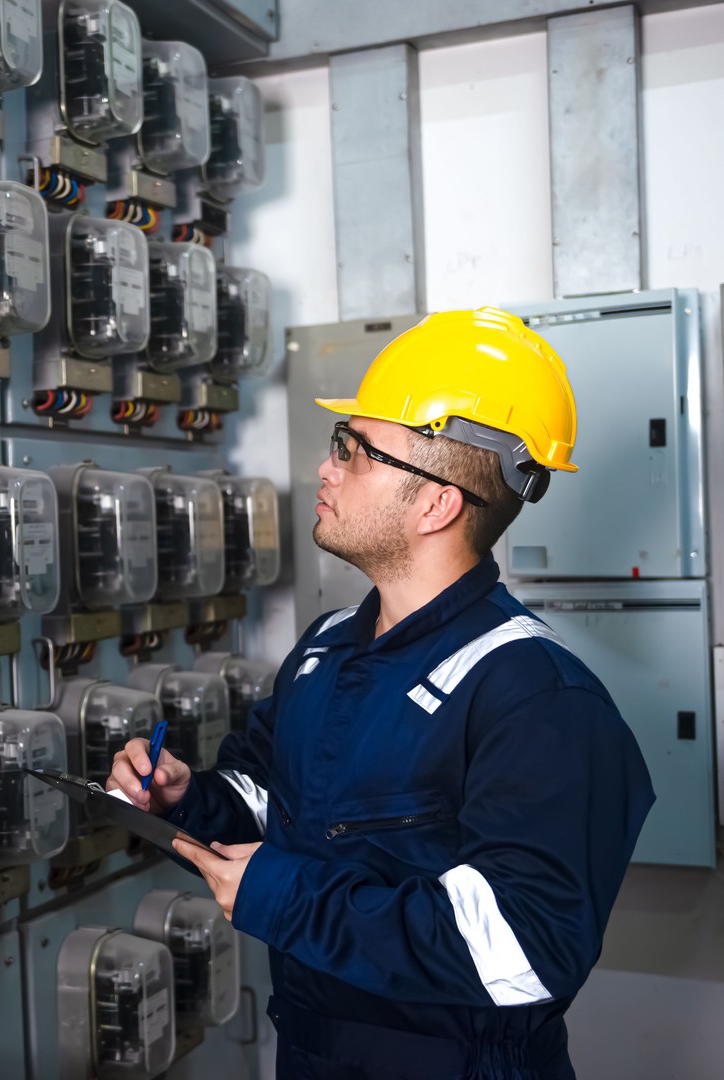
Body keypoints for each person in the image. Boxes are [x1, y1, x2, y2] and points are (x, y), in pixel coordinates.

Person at [108, 307, 654, 1079]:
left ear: (436, 504)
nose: (326, 469)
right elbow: (274, 798)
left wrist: (287, 897)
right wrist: (183, 798)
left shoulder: (538, 698)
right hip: (311, 1051)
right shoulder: (330, 647)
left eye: (354, 451)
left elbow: (528, 950)